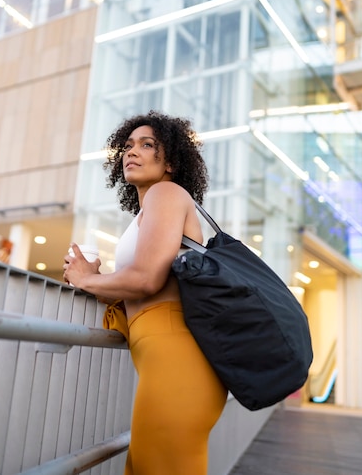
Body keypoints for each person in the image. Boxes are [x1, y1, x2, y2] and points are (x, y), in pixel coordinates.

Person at [63, 110, 227, 475]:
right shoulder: (148, 213)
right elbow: (144, 288)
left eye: (147, 145)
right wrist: (95, 276)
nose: (131, 152)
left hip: (177, 360)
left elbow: (148, 279)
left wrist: (84, 280)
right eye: (127, 146)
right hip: (165, 359)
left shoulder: (166, 193)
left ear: (170, 162)